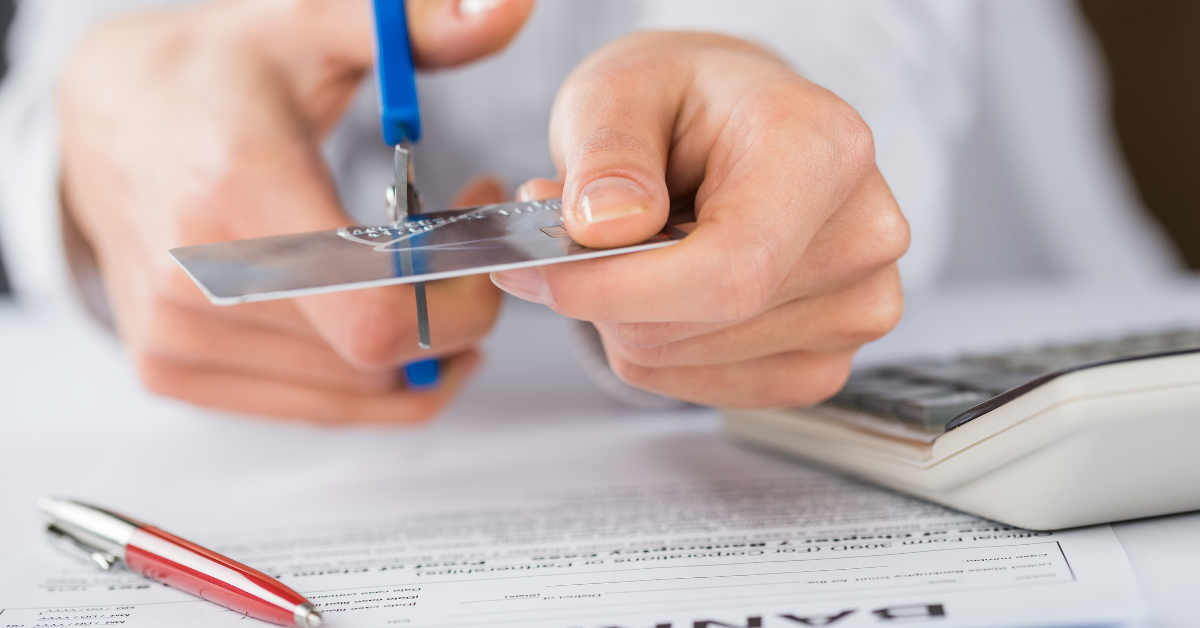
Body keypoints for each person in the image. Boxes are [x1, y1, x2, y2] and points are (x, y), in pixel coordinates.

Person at [0, 0, 1177, 423]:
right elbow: (92, 60)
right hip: (253, 459)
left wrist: (781, 97)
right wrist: (86, 148)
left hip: (968, 343)